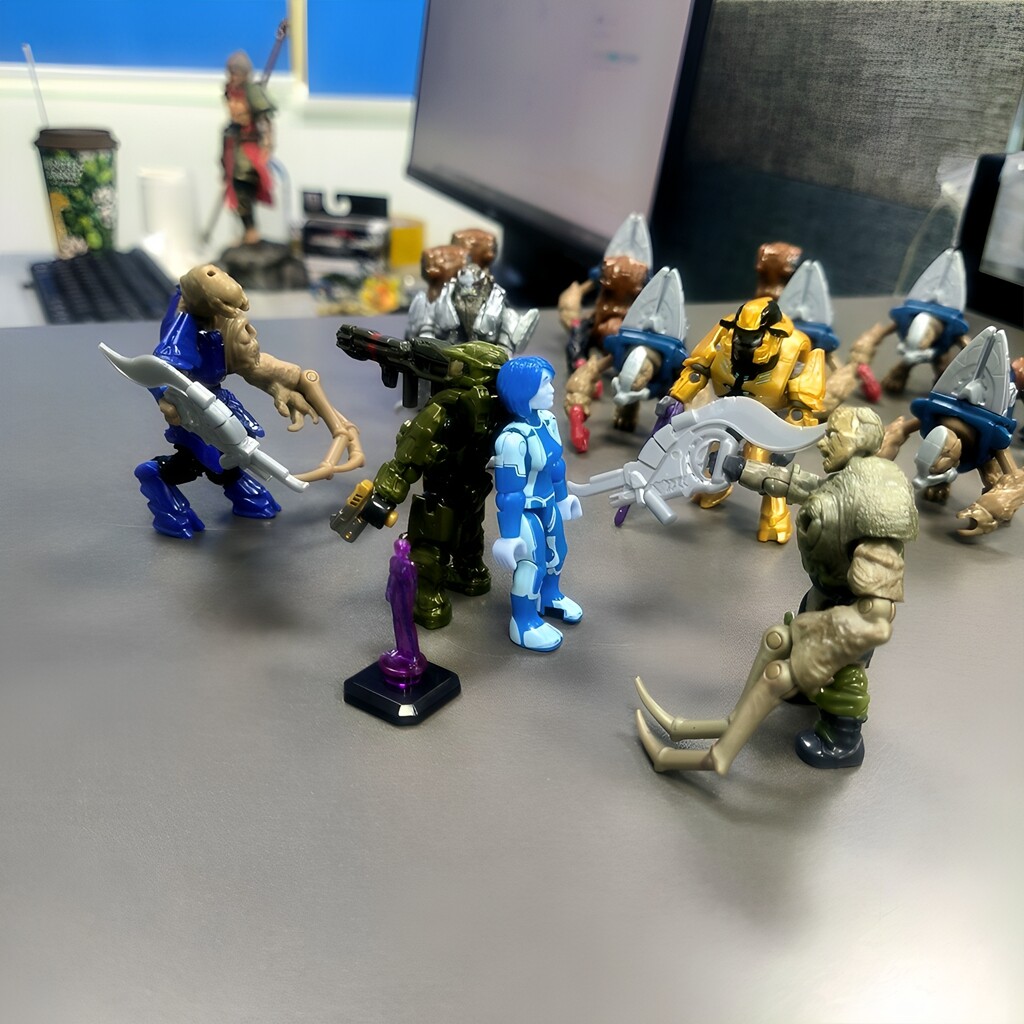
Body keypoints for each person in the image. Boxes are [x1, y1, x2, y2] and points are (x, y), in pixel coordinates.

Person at [492, 356, 583, 652]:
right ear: (524, 390)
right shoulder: (512, 439)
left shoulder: (548, 421)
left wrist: (563, 497)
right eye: (544, 383)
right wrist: (508, 537)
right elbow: (509, 492)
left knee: (558, 552)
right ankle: (523, 621)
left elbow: (556, 465)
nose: (552, 389)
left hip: (549, 503)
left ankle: (550, 596)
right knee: (532, 564)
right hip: (524, 511)